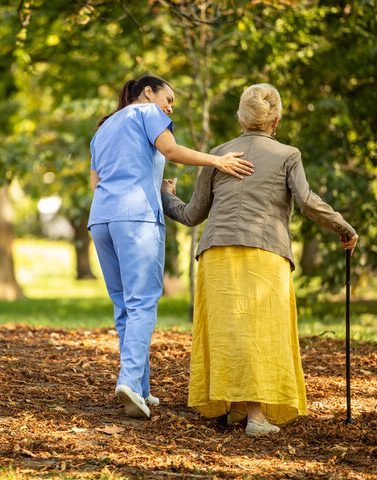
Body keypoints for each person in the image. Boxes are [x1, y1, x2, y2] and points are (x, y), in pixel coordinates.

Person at [161, 83, 358, 435]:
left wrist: (165, 197)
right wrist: (343, 227)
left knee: (227, 330)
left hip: (216, 252)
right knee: (260, 331)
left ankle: (232, 406)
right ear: (275, 121)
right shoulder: (287, 154)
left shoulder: (218, 154)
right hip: (264, 252)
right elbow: (308, 201)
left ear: (241, 117)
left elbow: (192, 215)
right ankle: (256, 417)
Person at [89, 76, 255, 419]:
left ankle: (141, 389)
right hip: (136, 219)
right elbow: (170, 150)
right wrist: (217, 161)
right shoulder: (146, 113)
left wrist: (157, 185)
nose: (169, 108)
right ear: (147, 92)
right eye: (168, 98)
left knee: (124, 306)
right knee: (143, 303)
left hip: (102, 218)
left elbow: (99, 182)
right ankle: (130, 382)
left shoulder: (104, 127)